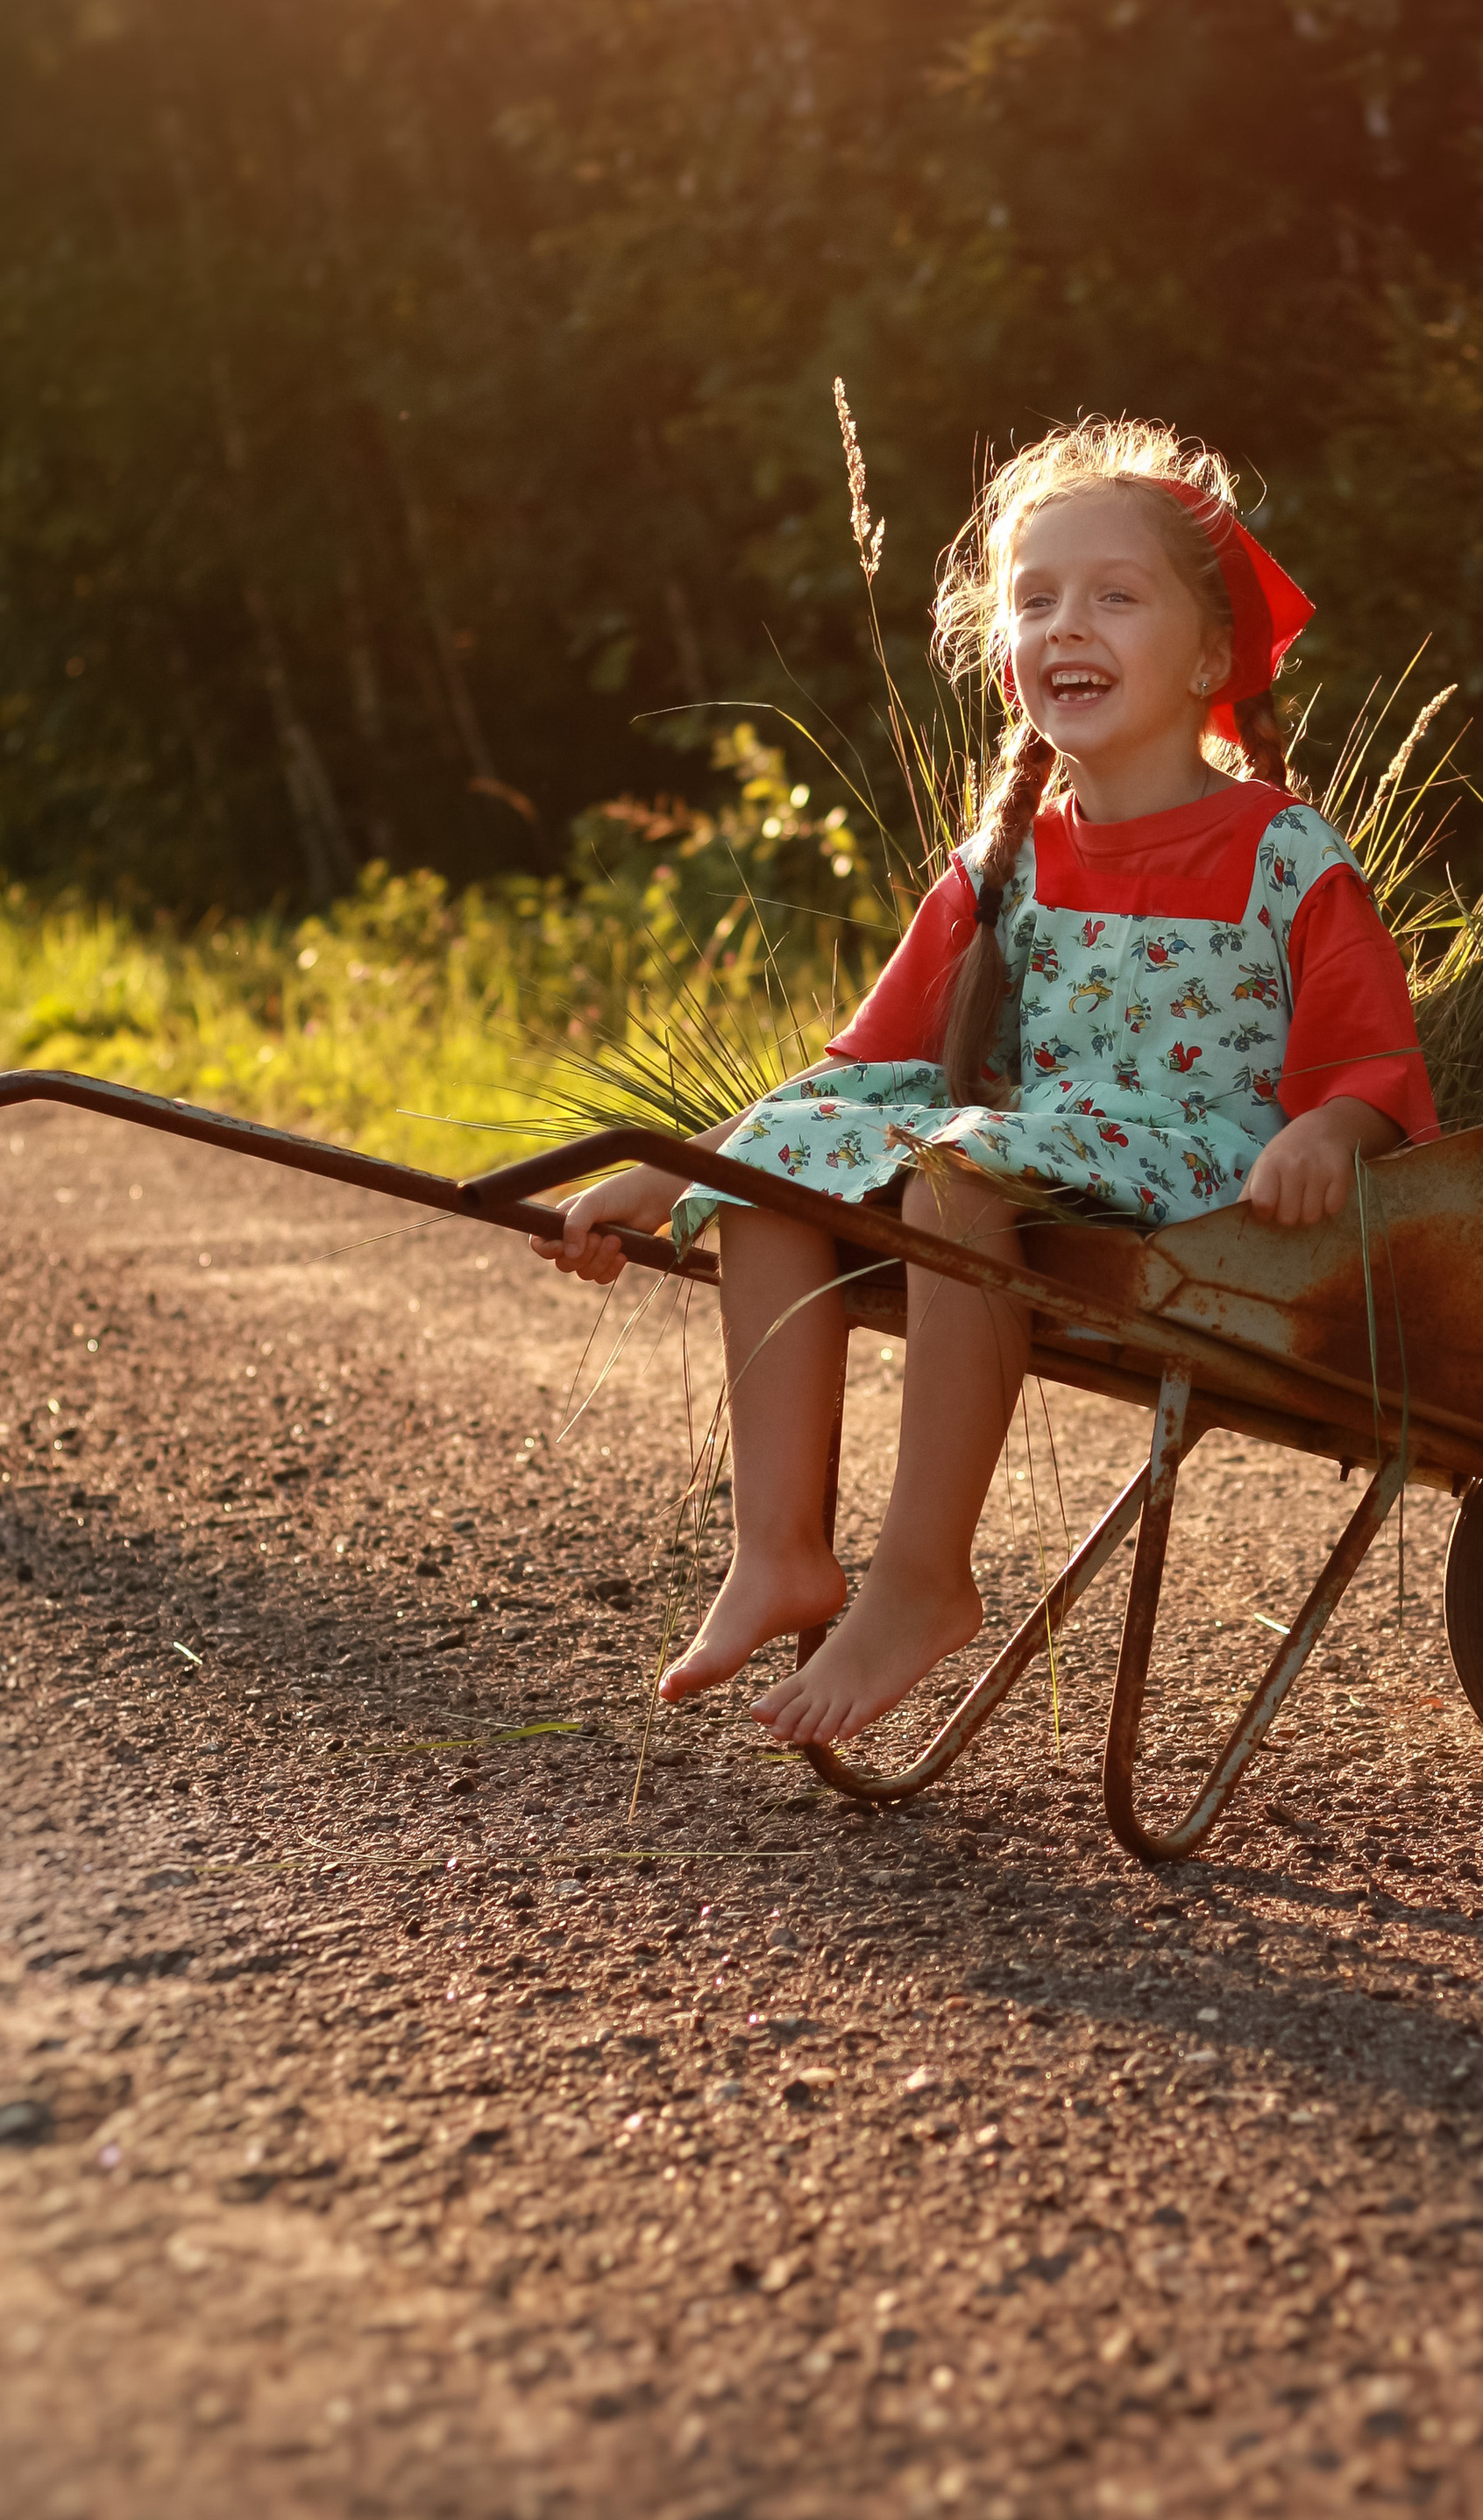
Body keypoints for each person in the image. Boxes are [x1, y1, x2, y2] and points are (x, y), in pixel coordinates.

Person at [532, 416, 1437, 1748]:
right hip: (1045, 1156)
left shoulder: (1282, 850)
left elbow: (1372, 1047)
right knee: (790, 1160)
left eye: (1115, 596)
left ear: (1210, 656)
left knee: (959, 1171)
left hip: (1200, 1175)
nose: (1067, 624)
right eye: (1035, 599)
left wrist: (1333, 1131)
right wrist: (678, 1171)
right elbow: (854, 1072)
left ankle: (919, 1579)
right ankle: (778, 1546)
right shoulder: (1001, 863)